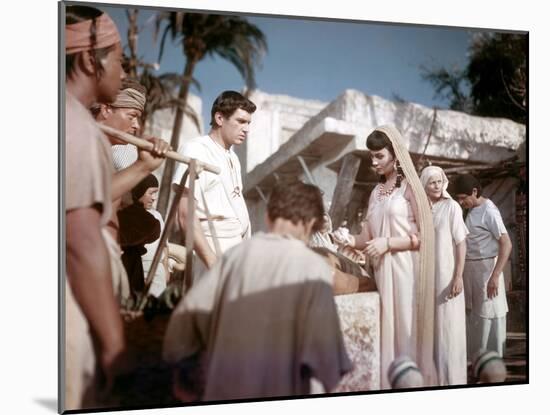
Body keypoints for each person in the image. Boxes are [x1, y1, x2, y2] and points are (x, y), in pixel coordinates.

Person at [163, 181, 352, 401]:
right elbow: (328, 362)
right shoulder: (314, 268)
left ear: (268, 217)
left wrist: (187, 384)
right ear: (310, 223)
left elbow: (181, 328)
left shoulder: (234, 258)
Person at [333, 125, 437, 388]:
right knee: (386, 334)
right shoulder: (375, 193)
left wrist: (388, 243)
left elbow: (428, 236)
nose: (374, 162)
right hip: (382, 273)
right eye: (371, 156)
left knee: (406, 332)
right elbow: (366, 237)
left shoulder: (411, 189)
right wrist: (348, 239)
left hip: (406, 273)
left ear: (395, 155)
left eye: (379, 155)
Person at [64, 5, 126, 410]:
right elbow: (81, 245)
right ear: (90, 60)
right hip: (69, 317)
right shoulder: (76, 128)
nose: (122, 72)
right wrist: (114, 345)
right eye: (119, 60)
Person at [93, 78, 170, 303]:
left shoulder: (115, 150)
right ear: (106, 109)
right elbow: (93, 199)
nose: (136, 125)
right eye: (131, 116)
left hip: (111, 257)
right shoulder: (80, 141)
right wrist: (143, 166)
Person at [173, 90, 256, 273]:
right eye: (241, 121)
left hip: (236, 251)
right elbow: (186, 214)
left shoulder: (232, 157)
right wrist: (212, 262)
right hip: (210, 251)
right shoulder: (196, 149)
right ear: (219, 118)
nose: (247, 129)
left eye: (249, 123)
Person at [452, 174, 512, 358]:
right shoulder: (468, 210)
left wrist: (495, 276)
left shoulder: (489, 210)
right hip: (471, 270)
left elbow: (506, 243)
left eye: (464, 198)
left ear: (475, 191)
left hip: (487, 269)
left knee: (488, 316)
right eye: (458, 199)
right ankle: (474, 363)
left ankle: (491, 364)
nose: (461, 202)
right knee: (474, 318)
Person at [420, 166, 469, 386]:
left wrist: (458, 276)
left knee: (449, 329)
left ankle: (453, 381)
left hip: (447, 278)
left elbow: (461, 243)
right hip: (427, 279)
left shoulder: (452, 207)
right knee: (431, 331)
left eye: (440, 181)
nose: (437, 185)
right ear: (424, 185)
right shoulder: (420, 211)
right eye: (432, 182)